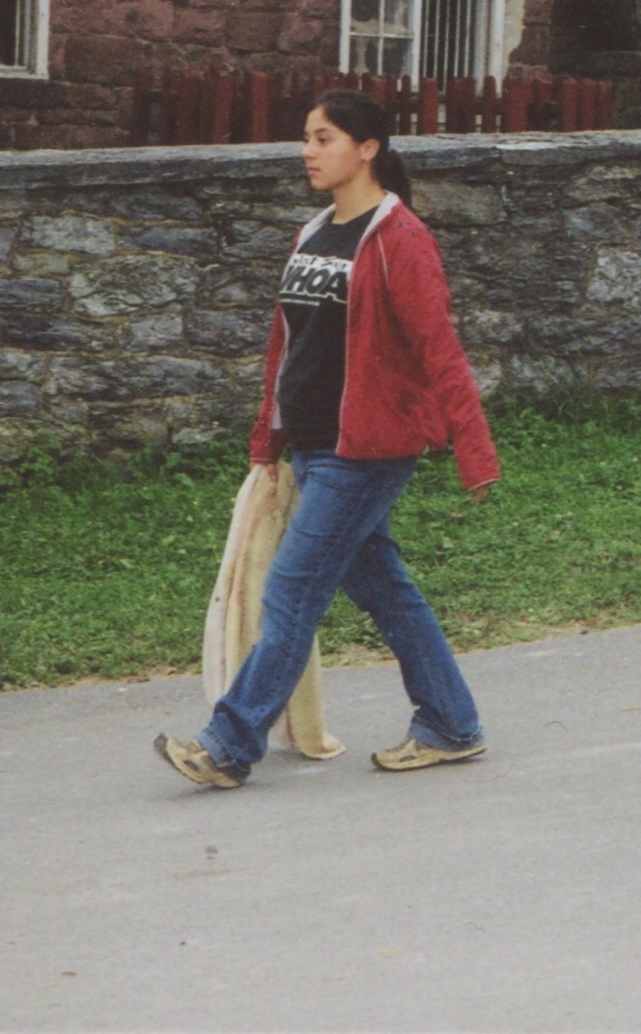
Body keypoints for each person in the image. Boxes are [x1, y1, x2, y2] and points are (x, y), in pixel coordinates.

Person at [155, 91, 499, 788]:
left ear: (367, 148)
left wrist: (474, 451)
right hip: (313, 444)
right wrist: (267, 441)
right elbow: (287, 348)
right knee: (387, 592)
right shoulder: (313, 233)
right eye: (306, 138)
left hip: (366, 450)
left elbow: (440, 351)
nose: (308, 151)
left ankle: (227, 746)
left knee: (291, 590)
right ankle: (452, 723)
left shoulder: (400, 239)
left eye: (324, 138)